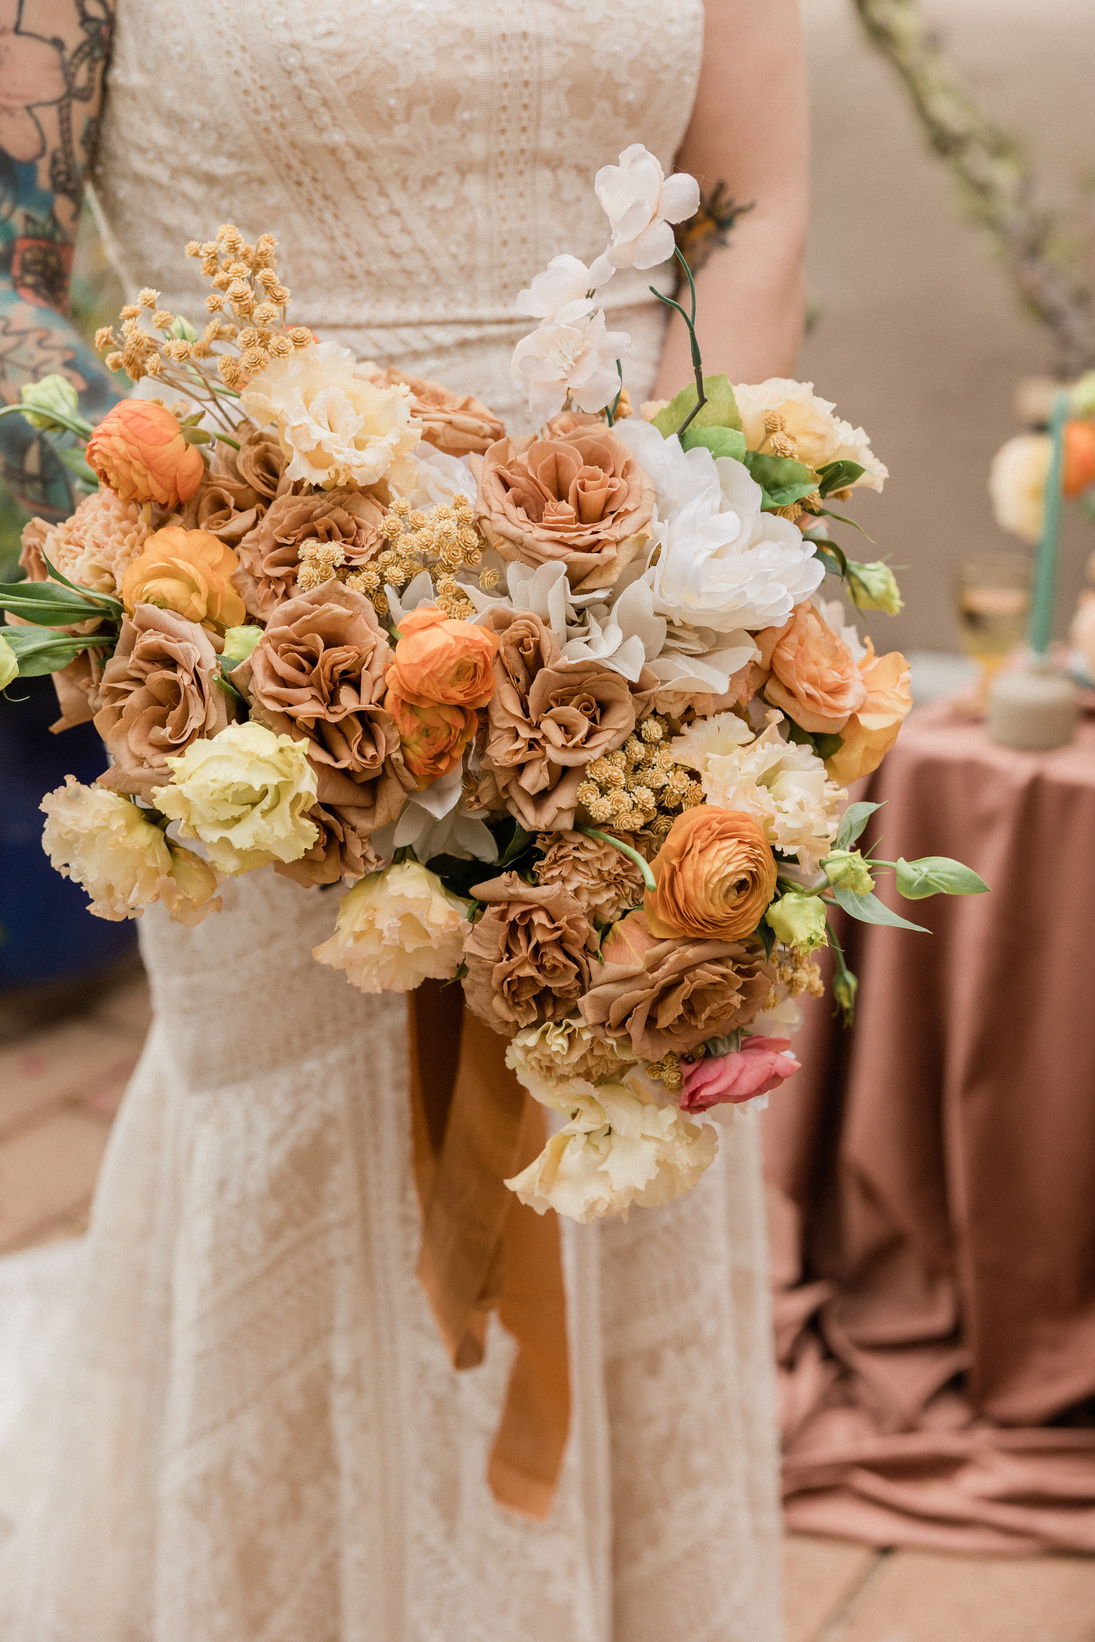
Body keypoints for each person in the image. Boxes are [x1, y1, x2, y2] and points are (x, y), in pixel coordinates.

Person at [0, 2, 808, 1637]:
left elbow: (752, 201)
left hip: (632, 631)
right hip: (265, 644)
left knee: (613, 1107)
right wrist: (206, 609)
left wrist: (675, 584)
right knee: (301, 1127)